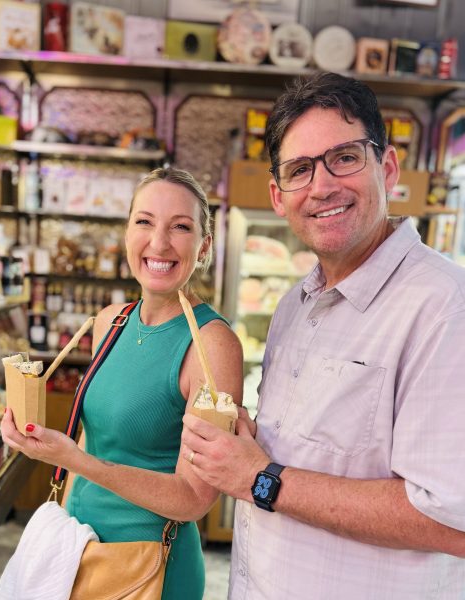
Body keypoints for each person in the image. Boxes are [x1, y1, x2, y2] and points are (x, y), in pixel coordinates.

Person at [182, 72, 465, 599]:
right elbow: (312, 454)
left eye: (345, 158)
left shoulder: (445, 306)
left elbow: (452, 520)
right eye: (300, 169)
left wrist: (262, 478)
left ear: (388, 167)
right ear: (277, 195)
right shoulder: (295, 304)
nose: (323, 185)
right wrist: (247, 446)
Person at [1, 167, 243, 599]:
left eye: (181, 227)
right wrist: (31, 436)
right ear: (127, 231)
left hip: (148, 567)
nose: (159, 242)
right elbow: (98, 439)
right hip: (76, 552)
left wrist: (76, 461)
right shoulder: (109, 321)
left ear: (204, 246)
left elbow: (194, 497)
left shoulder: (212, 344)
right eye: (145, 222)